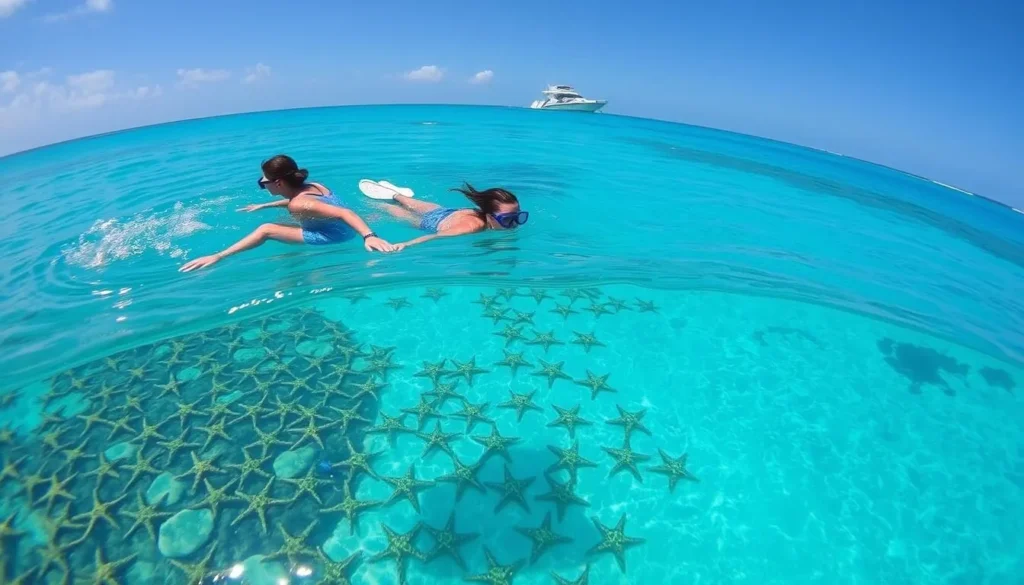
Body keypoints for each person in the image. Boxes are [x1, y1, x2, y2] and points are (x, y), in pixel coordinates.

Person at [179, 155, 397, 272]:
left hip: (336, 236)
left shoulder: (298, 205)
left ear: (279, 182)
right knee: (281, 220)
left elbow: (343, 212)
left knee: (266, 229)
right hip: (341, 227)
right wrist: (264, 206)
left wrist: (370, 237)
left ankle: (221, 256)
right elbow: (306, 203)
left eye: (263, 182)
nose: (263, 185)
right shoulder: (314, 186)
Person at [371, 183, 528, 250]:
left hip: (448, 212)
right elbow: (436, 236)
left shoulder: (485, 214)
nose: (514, 223)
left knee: (410, 202)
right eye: (507, 219)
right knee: (392, 211)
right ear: (489, 216)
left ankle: (396, 195)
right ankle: (383, 203)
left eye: (518, 217)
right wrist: (406, 244)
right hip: (430, 222)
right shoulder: (472, 227)